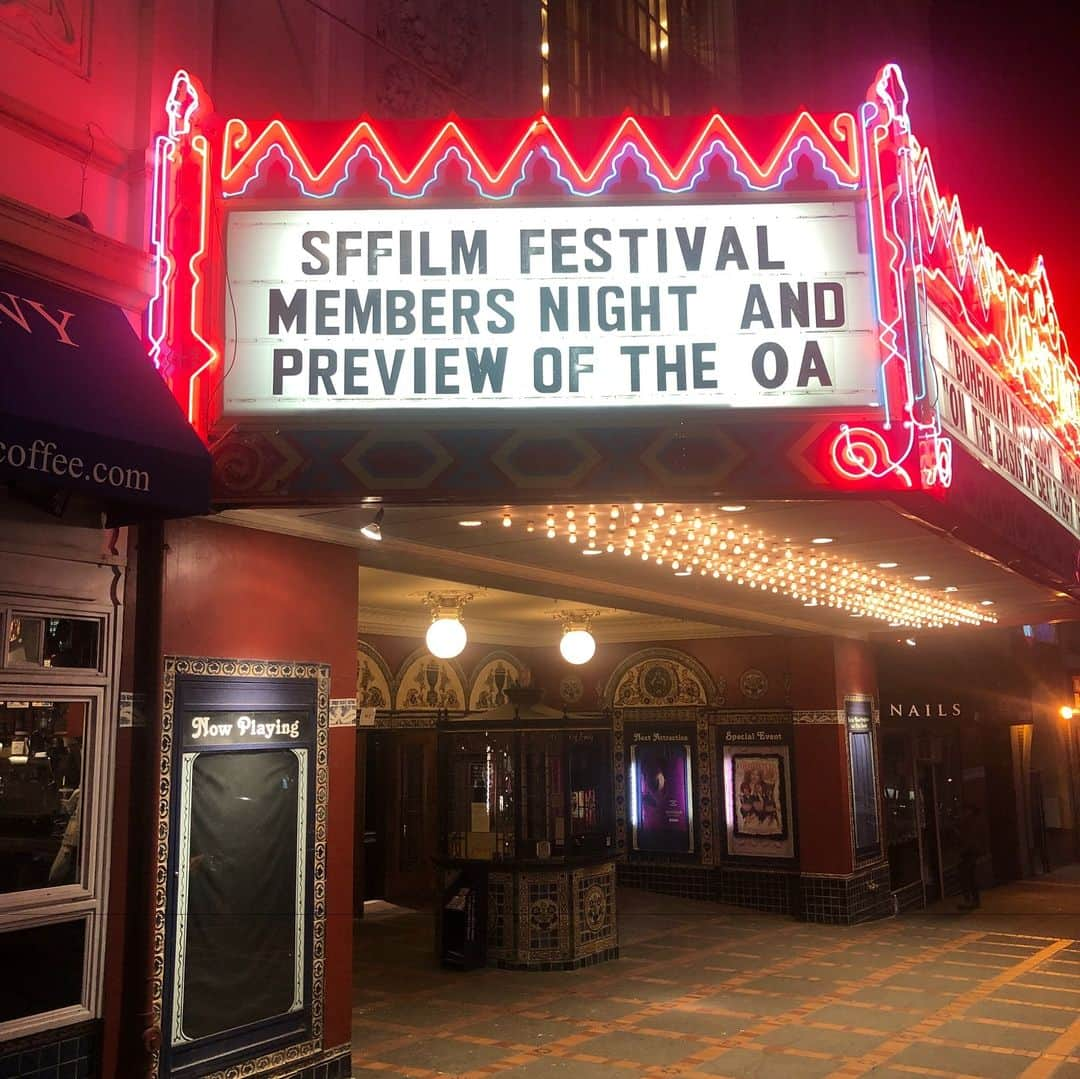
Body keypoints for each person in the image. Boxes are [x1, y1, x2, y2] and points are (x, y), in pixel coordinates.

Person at [957, 803, 983, 911]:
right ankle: (974, 900)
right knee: (970, 877)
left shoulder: (969, 822)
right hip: (972, 852)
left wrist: (962, 850)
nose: (962, 813)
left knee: (966, 877)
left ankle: (969, 900)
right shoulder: (973, 822)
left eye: (964, 810)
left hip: (969, 853)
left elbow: (968, 839)